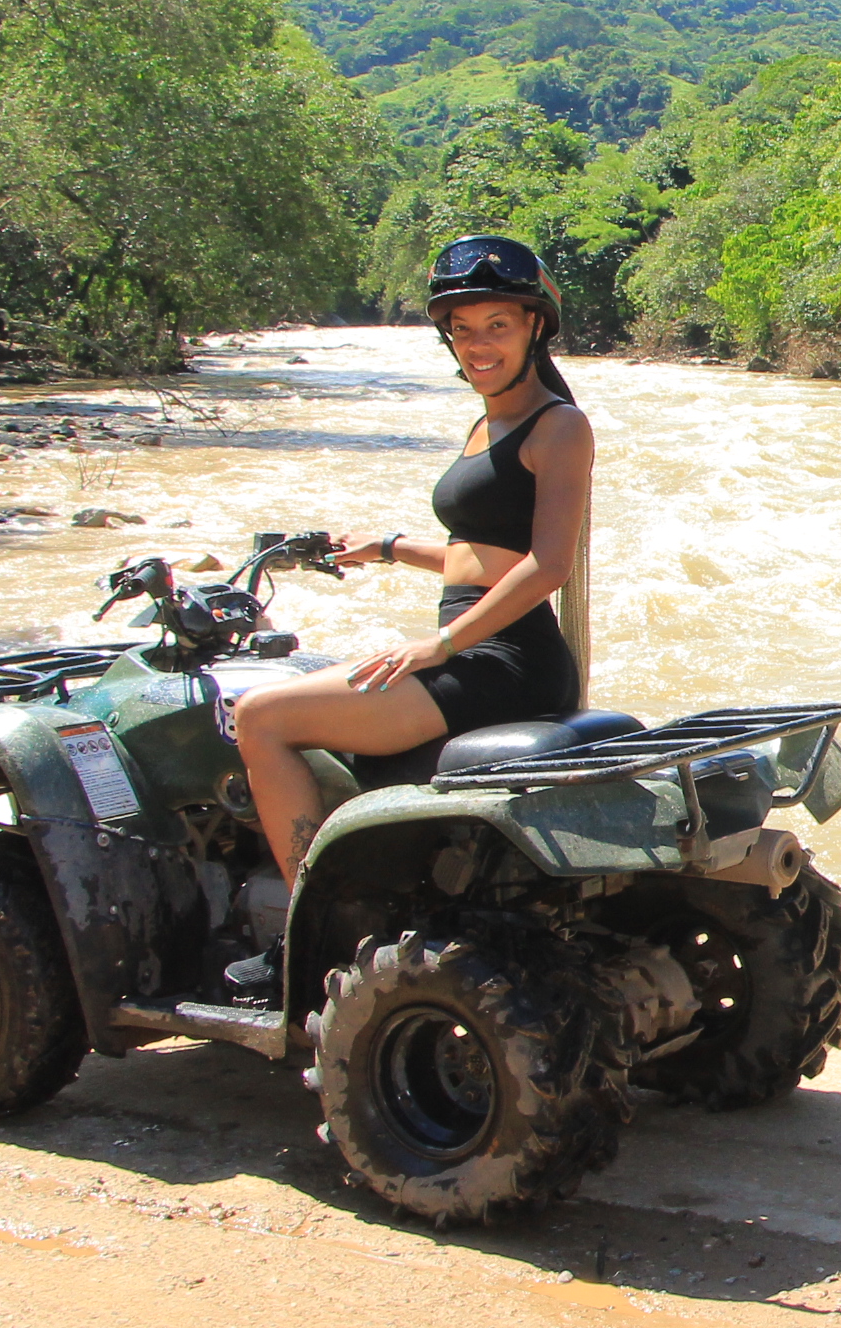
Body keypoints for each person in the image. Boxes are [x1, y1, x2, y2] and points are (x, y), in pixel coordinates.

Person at [224, 235, 596, 986]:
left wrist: (440, 644)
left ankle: (307, 934)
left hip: (506, 660)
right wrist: (389, 547)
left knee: (261, 717)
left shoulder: (559, 425)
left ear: (535, 327)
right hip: (479, 649)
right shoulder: (487, 420)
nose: (478, 343)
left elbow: (546, 566)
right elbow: (479, 554)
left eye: (497, 324)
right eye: (463, 329)